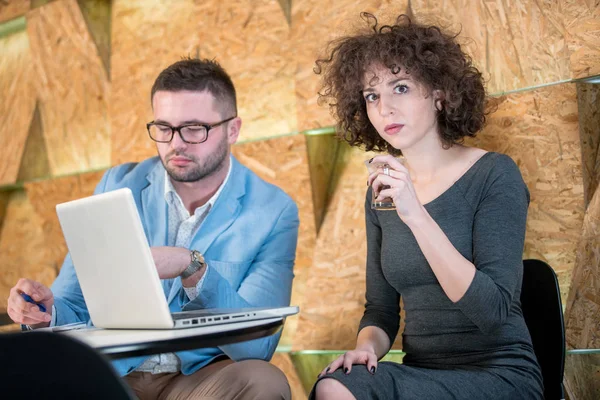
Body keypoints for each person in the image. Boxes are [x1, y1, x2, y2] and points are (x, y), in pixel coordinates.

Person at [7, 57, 298, 400]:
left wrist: (192, 268)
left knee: (266, 382)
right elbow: (73, 299)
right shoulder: (117, 184)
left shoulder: (273, 211)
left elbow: (258, 345)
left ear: (232, 129)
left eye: (194, 129)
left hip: (199, 380)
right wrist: (44, 313)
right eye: (163, 128)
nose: (176, 144)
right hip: (114, 372)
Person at [311, 13, 544, 400]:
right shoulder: (381, 192)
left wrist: (415, 213)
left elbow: (492, 311)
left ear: (439, 93)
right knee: (337, 383)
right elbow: (380, 311)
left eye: (400, 88)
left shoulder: (494, 175)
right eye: (372, 96)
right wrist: (366, 349)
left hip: (499, 373)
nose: (384, 108)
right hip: (421, 373)